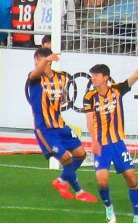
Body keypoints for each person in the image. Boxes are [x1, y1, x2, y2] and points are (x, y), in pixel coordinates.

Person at [84, 47, 138, 223]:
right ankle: (108, 208)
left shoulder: (117, 90)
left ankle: (137, 215)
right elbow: (89, 121)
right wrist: (94, 141)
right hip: (101, 145)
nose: (93, 78)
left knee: (131, 177)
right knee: (102, 179)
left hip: (118, 143)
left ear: (105, 77)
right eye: (92, 76)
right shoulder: (89, 97)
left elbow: (137, 75)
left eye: (96, 75)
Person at [26, 49, 97, 203]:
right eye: (37, 61)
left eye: (38, 60)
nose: (37, 64)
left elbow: (62, 96)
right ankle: (79, 191)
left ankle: (62, 181)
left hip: (60, 124)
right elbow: (34, 73)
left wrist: (62, 98)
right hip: (44, 128)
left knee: (80, 154)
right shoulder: (35, 79)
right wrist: (46, 60)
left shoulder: (62, 77)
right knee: (66, 158)